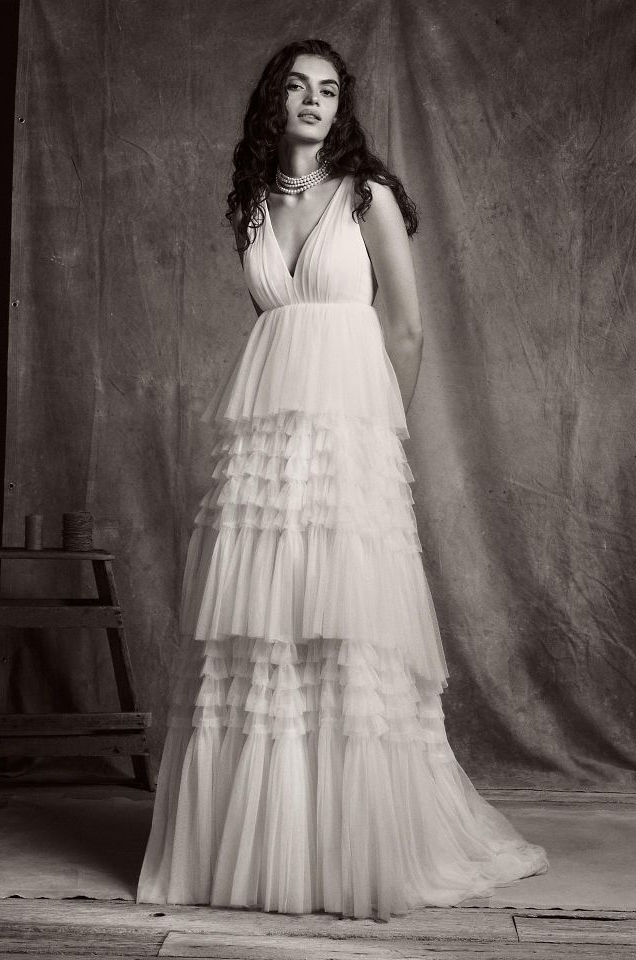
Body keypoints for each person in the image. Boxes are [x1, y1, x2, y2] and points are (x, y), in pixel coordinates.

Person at [136, 37, 548, 921]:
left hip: (348, 439)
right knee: (261, 629)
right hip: (267, 445)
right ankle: (259, 848)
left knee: (345, 631)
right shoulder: (251, 204)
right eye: (297, 87)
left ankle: (348, 849)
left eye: (327, 89)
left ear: (341, 106)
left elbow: (405, 329)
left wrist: (376, 440)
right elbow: (275, 323)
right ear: (273, 102)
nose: (313, 101)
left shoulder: (368, 197)